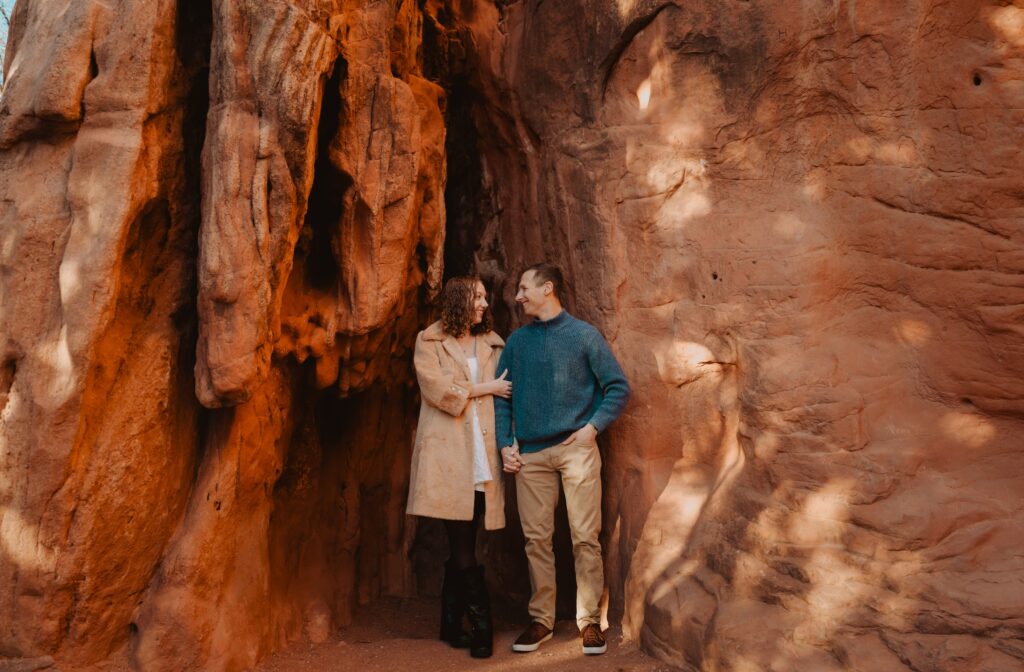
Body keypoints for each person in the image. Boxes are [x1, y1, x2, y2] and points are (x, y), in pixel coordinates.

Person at [495, 263, 631, 656]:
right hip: (531, 455)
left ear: (547, 289)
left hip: (577, 449)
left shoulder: (584, 336)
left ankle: (589, 622)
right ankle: (542, 620)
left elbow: (617, 388)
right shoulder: (517, 343)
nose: (518, 296)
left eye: (524, 288)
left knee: (584, 538)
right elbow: (503, 396)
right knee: (537, 540)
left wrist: (592, 428)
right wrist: (507, 443)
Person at [407, 276, 512, 659]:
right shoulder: (429, 341)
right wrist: (486, 388)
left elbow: (505, 396)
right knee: (463, 544)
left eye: (485, 297)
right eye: (478, 297)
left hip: (482, 455)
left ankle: (451, 624)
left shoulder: (492, 343)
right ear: (459, 300)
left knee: (463, 543)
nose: (485, 303)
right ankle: (482, 628)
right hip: (450, 457)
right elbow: (438, 390)